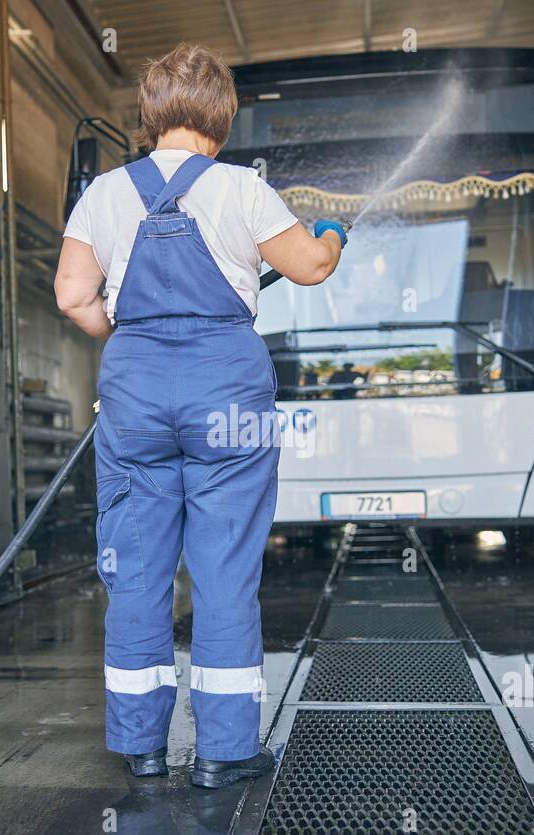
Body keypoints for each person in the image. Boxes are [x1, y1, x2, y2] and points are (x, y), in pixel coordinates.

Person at [54, 43, 345, 788]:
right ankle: (223, 753)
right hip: (226, 390)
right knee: (223, 571)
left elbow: (73, 298)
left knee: (137, 570)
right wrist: (334, 236)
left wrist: (135, 344)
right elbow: (308, 267)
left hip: (136, 389)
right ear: (222, 117)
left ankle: (141, 748)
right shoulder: (243, 189)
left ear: (150, 115)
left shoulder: (103, 194)